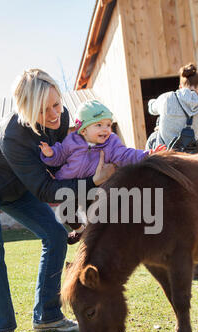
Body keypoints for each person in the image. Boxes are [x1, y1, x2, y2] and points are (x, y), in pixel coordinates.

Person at [0, 69, 115, 332]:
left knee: (56, 235)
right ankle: (4, 328)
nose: (55, 114)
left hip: (19, 190)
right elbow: (45, 189)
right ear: (27, 109)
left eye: (56, 104)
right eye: (44, 110)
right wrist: (93, 180)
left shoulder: (62, 118)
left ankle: (47, 315)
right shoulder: (12, 134)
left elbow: (58, 166)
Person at [39, 99, 150, 243]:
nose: (106, 129)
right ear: (83, 129)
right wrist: (50, 154)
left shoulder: (111, 143)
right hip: (70, 185)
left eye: (108, 125)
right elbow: (60, 155)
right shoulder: (72, 140)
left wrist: (146, 155)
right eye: (99, 125)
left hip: (95, 187)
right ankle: (80, 231)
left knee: (95, 215)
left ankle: (102, 238)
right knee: (66, 213)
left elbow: (125, 154)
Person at [146, 63, 198, 278]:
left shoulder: (168, 98)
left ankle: (164, 257)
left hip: (164, 164)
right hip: (191, 166)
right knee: (193, 213)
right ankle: (195, 264)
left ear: (180, 84)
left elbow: (151, 107)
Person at [146, 63, 198, 152]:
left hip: (165, 153)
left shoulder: (166, 98)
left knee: (153, 137)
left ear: (180, 87)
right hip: (190, 153)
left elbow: (151, 109)